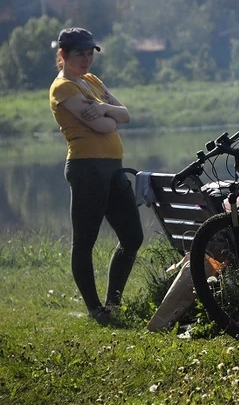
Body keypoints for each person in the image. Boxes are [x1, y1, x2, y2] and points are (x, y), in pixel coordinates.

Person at [48, 27, 142, 325]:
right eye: (80, 54)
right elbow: (105, 127)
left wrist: (103, 108)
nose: (87, 59)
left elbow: (124, 114)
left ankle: (113, 304)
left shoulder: (91, 81)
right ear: (63, 56)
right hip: (86, 167)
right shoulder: (63, 87)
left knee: (132, 237)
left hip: (113, 167)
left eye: (90, 53)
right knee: (84, 241)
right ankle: (94, 309)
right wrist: (109, 116)